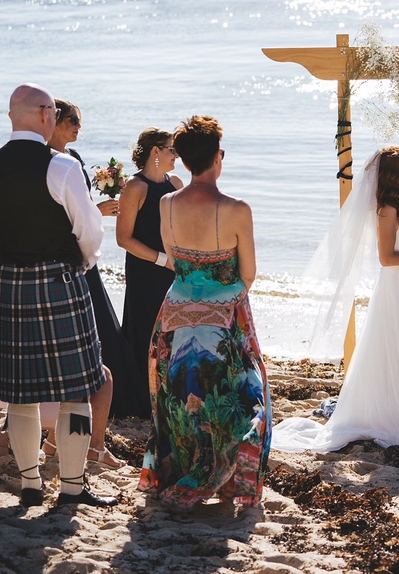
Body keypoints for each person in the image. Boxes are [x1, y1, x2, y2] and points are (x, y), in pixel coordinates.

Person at [271, 147, 399, 459]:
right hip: (395, 285)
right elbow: (387, 259)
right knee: (396, 346)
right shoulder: (386, 209)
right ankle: (396, 414)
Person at [0, 84, 113, 508]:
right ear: (44, 115)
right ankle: (71, 488)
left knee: (21, 391)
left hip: (14, 279)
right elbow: (90, 230)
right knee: (75, 388)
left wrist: (17, 251)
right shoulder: (63, 166)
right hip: (60, 280)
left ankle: (31, 484)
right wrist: (80, 264)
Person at [137, 116, 270, 510]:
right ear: (216, 157)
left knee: (179, 400)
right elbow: (248, 274)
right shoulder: (237, 209)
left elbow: (177, 261)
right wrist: (225, 296)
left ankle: (183, 474)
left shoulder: (166, 203)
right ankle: (227, 480)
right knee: (245, 399)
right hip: (223, 316)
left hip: (176, 312)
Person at [45, 99, 129, 462]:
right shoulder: (46, 162)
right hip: (70, 261)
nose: (78, 127)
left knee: (103, 332)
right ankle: (90, 440)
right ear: (54, 122)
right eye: (72, 121)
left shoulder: (74, 159)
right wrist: (96, 213)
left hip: (84, 257)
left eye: (80, 121)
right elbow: (65, 218)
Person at [116, 127, 183, 418]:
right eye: (172, 149)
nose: (177, 156)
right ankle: (144, 402)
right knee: (146, 333)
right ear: (156, 151)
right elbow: (123, 239)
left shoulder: (177, 182)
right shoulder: (135, 187)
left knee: (175, 333)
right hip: (146, 271)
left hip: (176, 269)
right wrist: (161, 260)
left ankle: (171, 396)